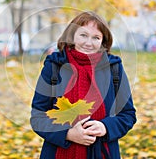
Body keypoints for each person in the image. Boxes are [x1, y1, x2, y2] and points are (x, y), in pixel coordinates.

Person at [30, 11, 136, 159]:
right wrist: (68, 134)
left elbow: (128, 115)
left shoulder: (114, 68)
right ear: (72, 35)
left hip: (103, 152)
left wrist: (105, 127)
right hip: (59, 152)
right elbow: (38, 117)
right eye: (83, 35)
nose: (88, 43)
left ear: (103, 41)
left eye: (96, 37)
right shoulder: (54, 66)